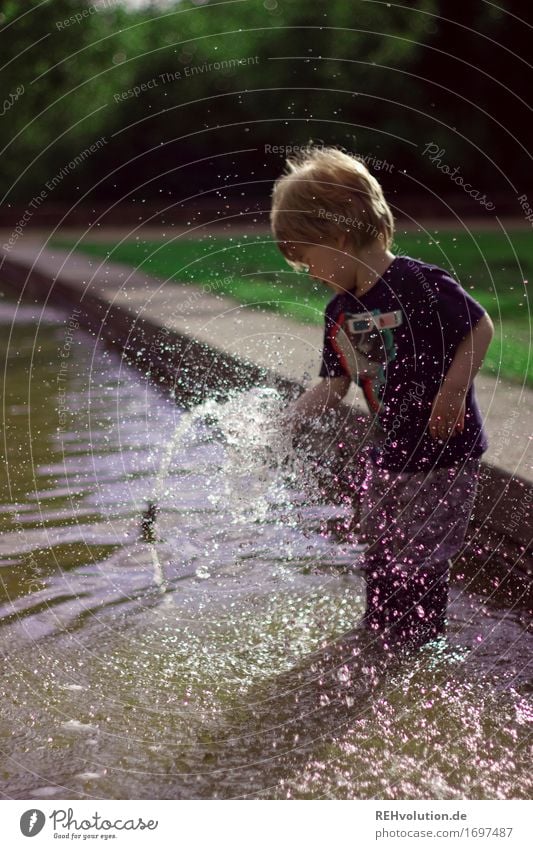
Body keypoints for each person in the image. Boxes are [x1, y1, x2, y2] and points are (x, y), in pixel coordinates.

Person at [270, 146, 494, 650]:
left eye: (308, 257)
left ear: (339, 238)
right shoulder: (340, 312)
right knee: (380, 549)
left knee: (424, 556)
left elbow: (479, 326)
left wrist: (453, 391)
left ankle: (420, 646)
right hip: (391, 452)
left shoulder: (417, 284)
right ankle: (379, 632)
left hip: (443, 451)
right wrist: (285, 423)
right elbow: (334, 385)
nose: (308, 272)